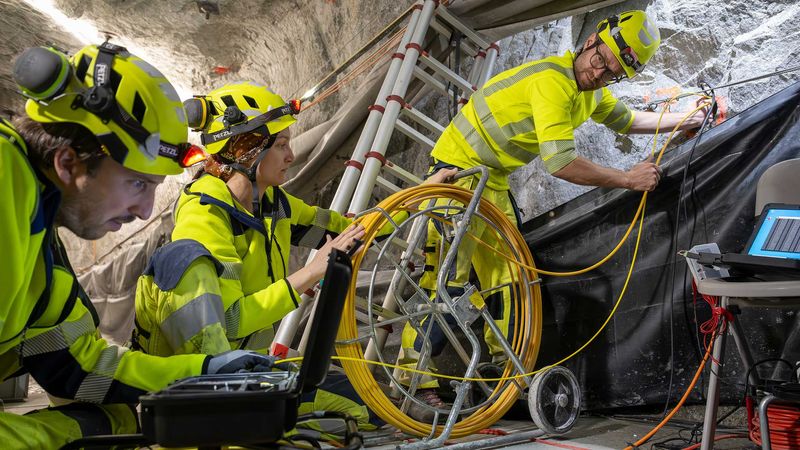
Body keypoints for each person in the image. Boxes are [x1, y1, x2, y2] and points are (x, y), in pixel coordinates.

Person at [398, 10, 711, 418]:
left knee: (510, 280)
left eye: (611, 73)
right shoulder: (554, 82)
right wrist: (628, 179)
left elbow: (628, 119)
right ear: (591, 41)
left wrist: (687, 120)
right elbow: (560, 163)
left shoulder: (590, 91)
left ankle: (500, 373)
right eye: (600, 61)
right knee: (447, 282)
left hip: (488, 180)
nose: (598, 74)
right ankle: (412, 383)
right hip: (456, 174)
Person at [132, 81, 456, 435]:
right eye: (282, 145)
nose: (291, 155)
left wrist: (424, 192)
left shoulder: (272, 204)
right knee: (359, 415)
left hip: (250, 372)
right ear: (247, 149)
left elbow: (348, 230)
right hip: (202, 390)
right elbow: (231, 321)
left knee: (364, 400)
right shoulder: (203, 219)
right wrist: (310, 273)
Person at [0, 43, 279, 448]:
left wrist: (205, 371)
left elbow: (74, 363)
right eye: (138, 183)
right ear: (67, 162)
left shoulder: (39, 238)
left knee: (118, 422)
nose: (147, 211)